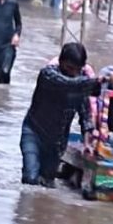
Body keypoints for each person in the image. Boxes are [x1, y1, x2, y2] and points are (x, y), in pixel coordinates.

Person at [20, 43, 104, 188]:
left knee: (47, 183)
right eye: (70, 68)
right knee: (31, 178)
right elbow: (67, 84)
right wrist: (95, 82)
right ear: (60, 62)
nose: (73, 73)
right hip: (33, 133)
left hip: (56, 142)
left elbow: (85, 116)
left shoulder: (80, 83)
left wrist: (87, 143)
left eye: (77, 70)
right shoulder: (48, 75)